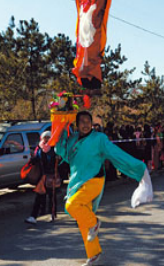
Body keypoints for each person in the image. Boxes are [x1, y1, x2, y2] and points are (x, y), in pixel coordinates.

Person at [55, 111, 152, 266]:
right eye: (82, 122)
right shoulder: (72, 139)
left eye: (88, 121)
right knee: (82, 220)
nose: (85, 124)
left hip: (94, 181)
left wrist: (138, 167)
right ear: (77, 124)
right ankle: (93, 254)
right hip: (77, 183)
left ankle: (94, 222)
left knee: (71, 205)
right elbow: (61, 151)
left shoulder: (99, 138)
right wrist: (60, 127)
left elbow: (116, 153)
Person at [72, 0, 112, 97]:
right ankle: (84, 84)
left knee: (94, 53)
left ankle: (95, 84)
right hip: (84, 24)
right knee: (83, 53)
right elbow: (79, 7)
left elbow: (105, 5)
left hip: (96, 26)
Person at [25, 131, 59, 224]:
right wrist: (32, 160)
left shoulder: (54, 148)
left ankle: (53, 214)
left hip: (51, 175)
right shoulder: (40, 148)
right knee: (39, 196)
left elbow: (58, 162)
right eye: (45, 137)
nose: (46, 139)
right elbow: (38, 158)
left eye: (48, 137)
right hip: (42, 176)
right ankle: (33, 216)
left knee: (52, 197)